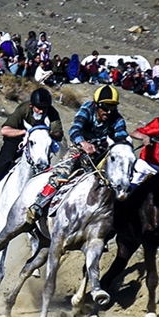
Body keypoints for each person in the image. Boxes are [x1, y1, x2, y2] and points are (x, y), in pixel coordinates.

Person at [26, 85, 129, 223]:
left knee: (118, 179)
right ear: (96, 104)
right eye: (105, 107)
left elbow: (121, 136)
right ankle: (38, 205)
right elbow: (75, 129)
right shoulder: (87, 109)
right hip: (79, 148)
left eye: (112, 107)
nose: (109, 112)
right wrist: (84, 143)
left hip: (102, 153)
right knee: (63, 172)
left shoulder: (117, 118)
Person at [0, 87, 64, 217]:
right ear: (31, 105)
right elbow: (4, 130)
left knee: (45, 165)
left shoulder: (52, 113)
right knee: (4, 164)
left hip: (39, 142)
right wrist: (25, 132)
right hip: (17, 140)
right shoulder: (23, 109)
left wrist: (43, 133)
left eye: (44, 108)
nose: (41, 111)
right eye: (38, 108)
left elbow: (58, 134)